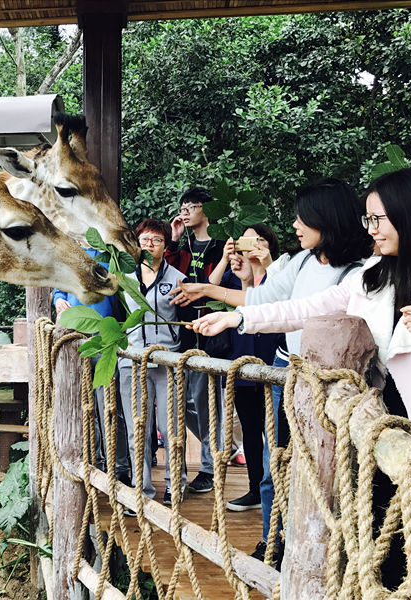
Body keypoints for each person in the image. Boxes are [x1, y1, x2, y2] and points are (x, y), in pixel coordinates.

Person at [191, 167, 411, 588]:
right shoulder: (371, 279)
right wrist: (237, 317)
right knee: (384, 538)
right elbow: (301, 309)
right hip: (378, 426)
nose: (372, 230)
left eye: (378, 219)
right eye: (368, 220)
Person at [173, 178, 374, 561]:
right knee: (272, 465)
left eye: (302, 219)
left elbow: (298, 313)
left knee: (320, 472)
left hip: (329, 386)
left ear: (326, 220)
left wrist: (235, 319)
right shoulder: (301, 260)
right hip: (286, 373)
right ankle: (272, 542)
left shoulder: (358, 274)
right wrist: (209, 292)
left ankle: (320, 555)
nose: (295, 226)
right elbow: (263, 299)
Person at [207, 224, 284, 512]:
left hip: (273, 360)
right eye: (247, 239)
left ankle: (277, 493)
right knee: (251, 430)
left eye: (259, 239)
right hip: (241, 358)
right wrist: (235, 269)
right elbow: (243, 305)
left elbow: (274, 303)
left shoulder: (279, 274)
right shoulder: (236, 273)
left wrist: (266, 264)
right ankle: (256, 489)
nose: (252, 244)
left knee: (274, 432)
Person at [118, 219, 186, 509]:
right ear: (137, 244)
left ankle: (175, 486)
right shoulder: (124, 279)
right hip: (133, 359)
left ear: (165, 246)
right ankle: (141, 490)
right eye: (144, 239)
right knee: (137, 428)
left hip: (167, 358)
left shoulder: (178, 277)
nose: (150, 244)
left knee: (170, 427)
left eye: (156, 240)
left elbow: (191, 311)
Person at [165, 186, 225, 495]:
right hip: (184, 332)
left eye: (193, 206)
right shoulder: (183, 247)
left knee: (205, 401)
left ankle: (209, 468)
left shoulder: (220, 247)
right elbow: (165, 274)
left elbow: (217, 288)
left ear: (207, 211)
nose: (185, 211)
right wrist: (173, 238)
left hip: (212, 333)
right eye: (183, 206)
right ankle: (220, 444)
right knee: (184, 401)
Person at [55, 248, 131, 486]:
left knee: (108, 405)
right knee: (81, 406)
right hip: (73, 335)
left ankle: (119, 467)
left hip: (104, 336)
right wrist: (58, 299)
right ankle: (91, 462)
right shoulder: (68, 250)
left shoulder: (112, 253)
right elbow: (58, 287)